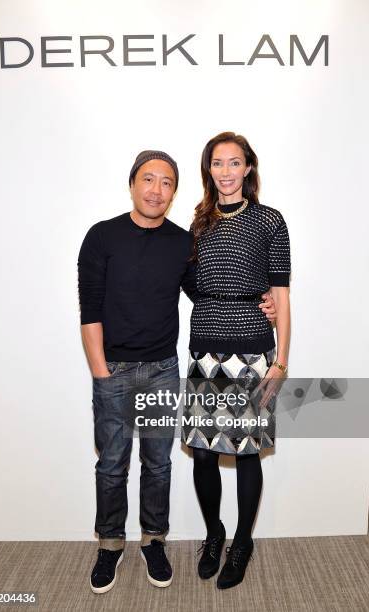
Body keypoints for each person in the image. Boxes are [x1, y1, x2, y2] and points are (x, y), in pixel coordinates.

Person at [77, 149, 277, 594]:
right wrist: (100, 372)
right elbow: (89, 309)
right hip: (113, 370)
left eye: (166, 182)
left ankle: (153, 542)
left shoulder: (180, 241)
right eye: (148, 180)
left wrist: (266, 302)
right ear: (132, 183)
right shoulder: (101, 236)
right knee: (111, 464)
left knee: (158, 464)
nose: (156, 190)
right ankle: (110, 545)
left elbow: (205, 288)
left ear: (174, 191)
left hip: (163, 370)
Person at [182, 132, 291, 590]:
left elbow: (282, 295)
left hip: (251, 353)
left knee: (247, 456)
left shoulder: (270, 220)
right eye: (217, 163)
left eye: (235, 163)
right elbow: (189, 281)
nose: (226, 171)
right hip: (206, 353)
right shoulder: (198, 223)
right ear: (209, 170)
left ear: (248, 168)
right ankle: (214, 535)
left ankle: (243, 541)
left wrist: (280, 361)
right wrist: (216, 302)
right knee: (204, 454)